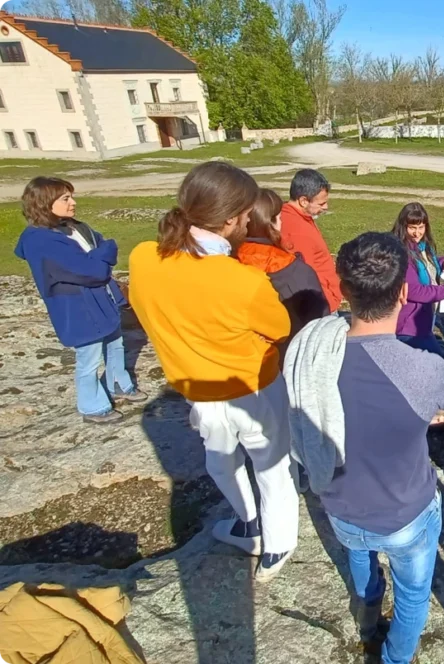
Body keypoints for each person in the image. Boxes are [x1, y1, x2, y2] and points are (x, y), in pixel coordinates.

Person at [128, 162, 298, 581]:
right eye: (246, 215)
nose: (249, 222)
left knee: (220, 459)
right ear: (230, 220)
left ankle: (248, 523)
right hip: (252, 387)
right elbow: (280, 327)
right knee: (272, 465)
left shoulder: (143, 258)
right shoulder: (243, 281)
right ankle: (277, 545)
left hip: (197, 389)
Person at [317, 232, 444, 664]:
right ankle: (395, 658)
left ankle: (366, 616)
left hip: (341, 505)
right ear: (402, 293)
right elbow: (443, 411)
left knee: (360, 555)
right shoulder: (427, 369)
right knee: (413, 597)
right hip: (405, 511)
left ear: (344, 289)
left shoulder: (314, 358)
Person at [14, 176, 146, 424]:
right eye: (65, 198)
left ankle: (118, 383)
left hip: (102, 299)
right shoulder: (40, 240)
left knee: (115, 344)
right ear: (44, 202)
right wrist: (99, 259)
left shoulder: (75, 227)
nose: (73, 202)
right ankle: (92, 406)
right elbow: (92, 271)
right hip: (77, 307)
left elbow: (108, 245)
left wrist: (98, 257)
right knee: (89, 358)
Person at [237, 188, 329, 343]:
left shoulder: (223, 259)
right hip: (284, 351)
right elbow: (319, 324)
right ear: (271, 223)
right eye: (279, 218)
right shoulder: (294, 270)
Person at [392, 202, 444, 357]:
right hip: (409, 324)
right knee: (436, 359)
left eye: (421, 227)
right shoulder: (402, 253)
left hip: (424, 318)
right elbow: (413, 290)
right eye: (412, 228)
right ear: (403, 226)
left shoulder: (423, 246)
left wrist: (442, 262)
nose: (417, 233)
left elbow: (426, 265)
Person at [279, 169, 342, 313]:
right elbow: (304, 277)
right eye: (321, 203)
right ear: (303, 201)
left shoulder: (297, 216)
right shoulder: (297, 231)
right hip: (320, 305)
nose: (326, 207)